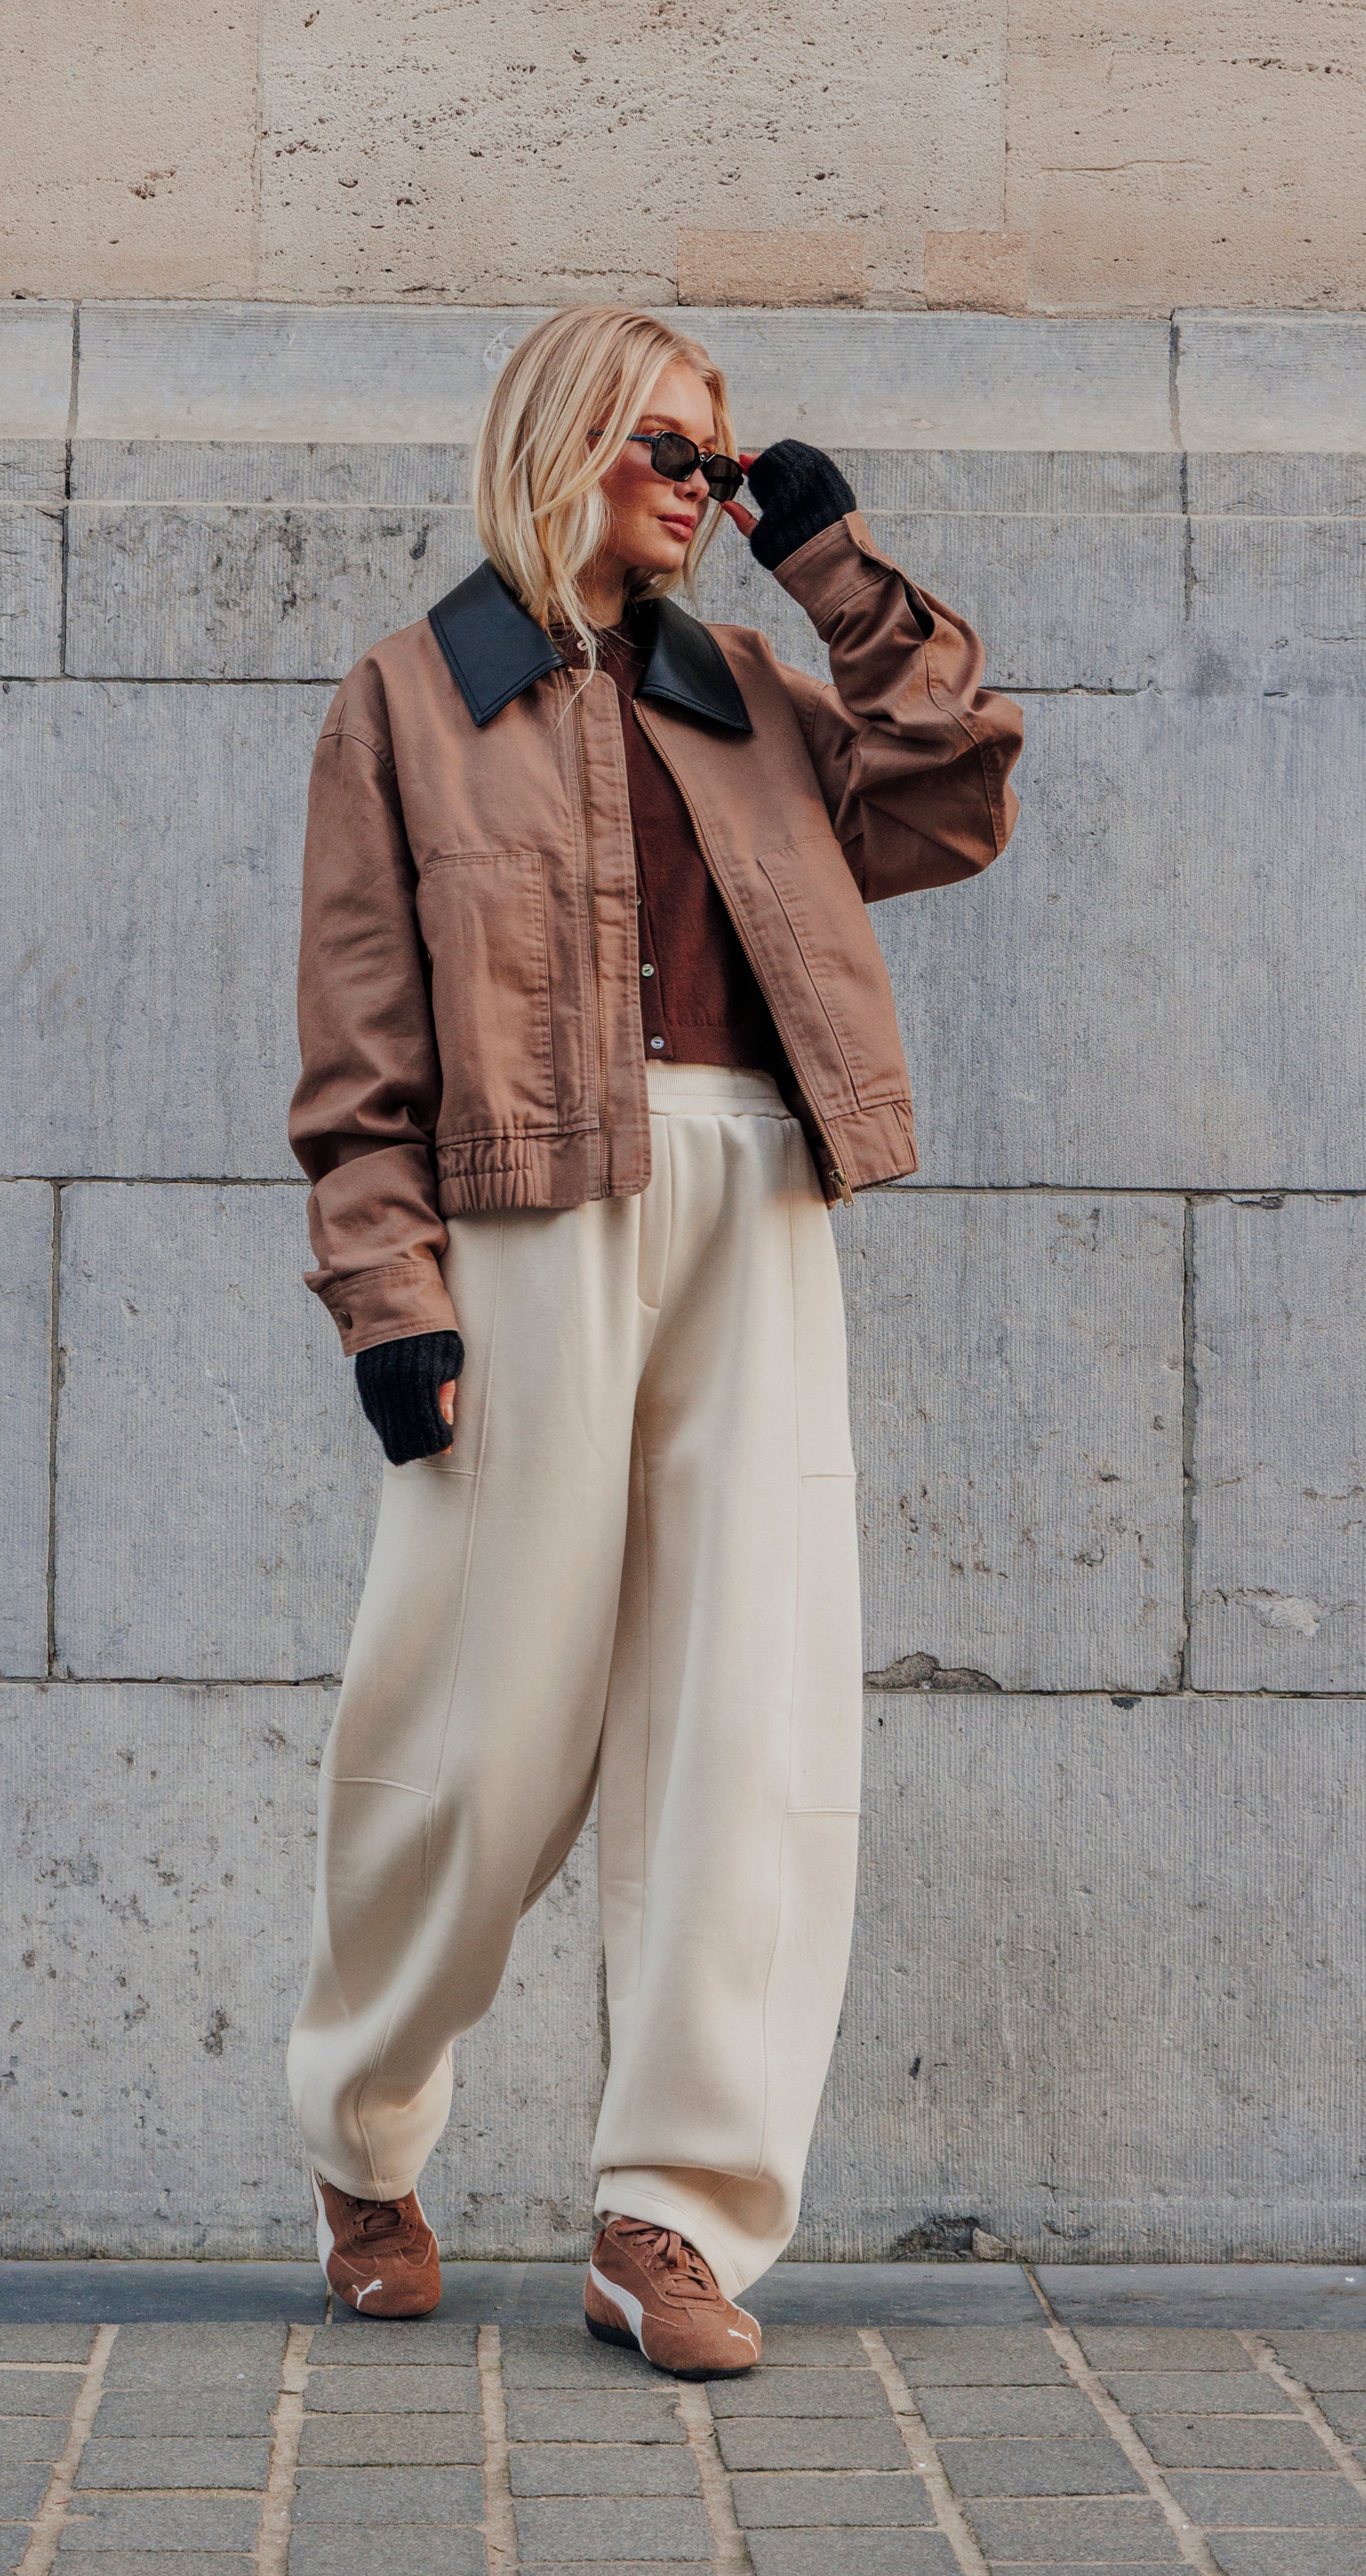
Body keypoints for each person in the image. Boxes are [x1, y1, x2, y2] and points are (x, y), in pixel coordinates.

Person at [284, 304, 1022, 2373]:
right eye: (669, 451)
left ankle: (667, 2215)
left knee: (745, 1719)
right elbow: (356, 1056)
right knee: (471, 1726)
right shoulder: (405, 701)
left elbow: (955, 792)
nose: (700, 488)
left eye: (719, 458)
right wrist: (388, 1293)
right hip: (527, 1218)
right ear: (567, 443)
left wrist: (835, 566)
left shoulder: (755, 693)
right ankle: (361, 2123)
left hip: (752, 1202)